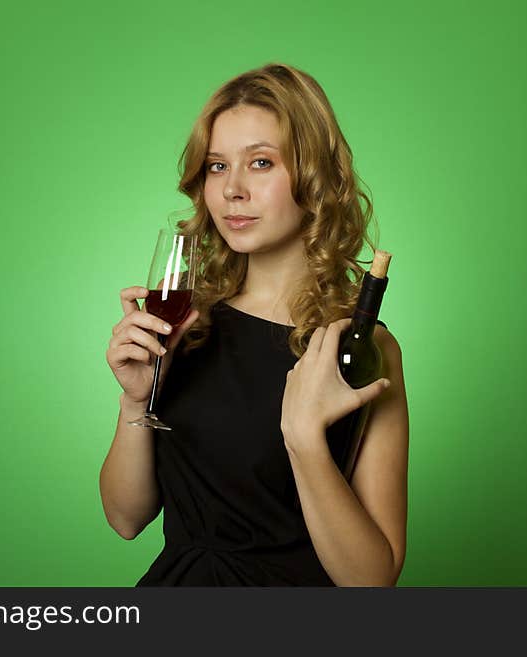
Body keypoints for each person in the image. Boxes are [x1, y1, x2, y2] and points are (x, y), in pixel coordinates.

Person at [100, 63, 409, 586]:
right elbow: (125, 519)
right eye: (217, 167)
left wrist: (304, 439)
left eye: (261, 162)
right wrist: (136, 401)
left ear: (314, 177)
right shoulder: (184, 323)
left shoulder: (361, 346)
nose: (232, 190)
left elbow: (371, 581)